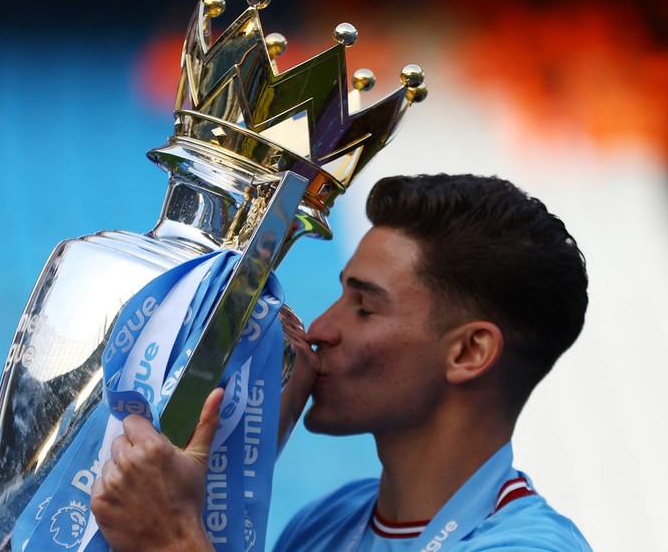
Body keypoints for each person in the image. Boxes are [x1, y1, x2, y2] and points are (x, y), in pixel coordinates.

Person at [90, 173, 592, 551]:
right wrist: (241, 456)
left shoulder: (530, 546)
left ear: (468, 352)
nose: (320, 329)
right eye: (340, 297)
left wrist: (172, 538)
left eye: (365, 308)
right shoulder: (326, 522)